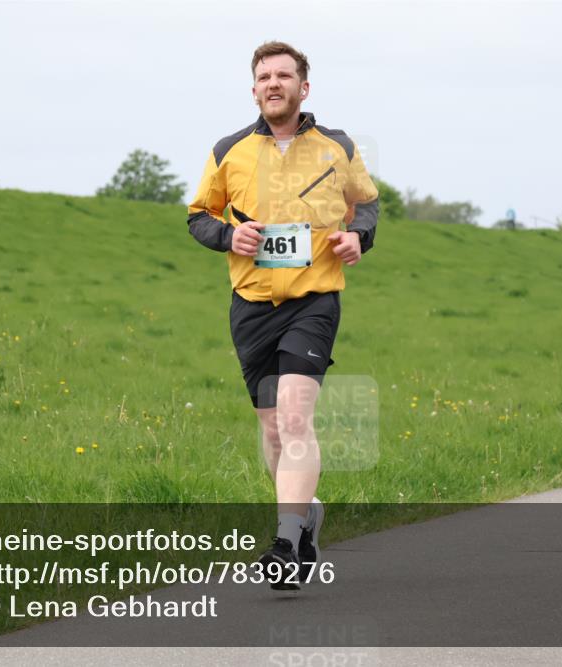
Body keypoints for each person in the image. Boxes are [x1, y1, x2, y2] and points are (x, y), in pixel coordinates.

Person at [186, 42, 379, 588]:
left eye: (284, 76)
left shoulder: (337, 146)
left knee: (295, 416)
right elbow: (198, 215)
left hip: (313, 299)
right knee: (272, 430)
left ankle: (286, 543)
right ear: (254, 90)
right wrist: (229, 234)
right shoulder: (229, 150)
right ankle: (306, 512)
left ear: (303, 87)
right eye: (264, 77)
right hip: (250, 306)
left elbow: (366, 201)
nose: (273, 83)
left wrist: (357, 235)